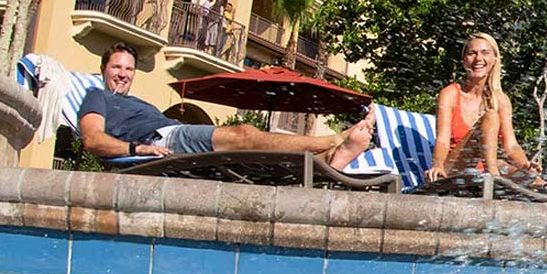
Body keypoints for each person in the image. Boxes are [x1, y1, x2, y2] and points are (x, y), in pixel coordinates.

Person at [76, 43, 375, 166]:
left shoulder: (139, 102)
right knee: (243, 133)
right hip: (165, 140)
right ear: (104, 69)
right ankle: (332, 140)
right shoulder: (96, 96)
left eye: (128, 69)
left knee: (246, 151)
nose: (123, 74)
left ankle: (329, 158)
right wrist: (136, 148)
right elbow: (92, 138)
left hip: (175, 134)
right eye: (117, 68)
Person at [425, 32, 540, 182]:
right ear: (464, 60)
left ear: (494, 59)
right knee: (491, 116)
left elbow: (511, 146)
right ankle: (493, 178)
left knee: (530, 178)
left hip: (484, 168)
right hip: (453, 169)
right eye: (472, 53)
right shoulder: (450, 94)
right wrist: (438, 165)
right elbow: (442, 140)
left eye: (485, 53)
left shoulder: (501, 100)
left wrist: (526, 166)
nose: (478, 59)